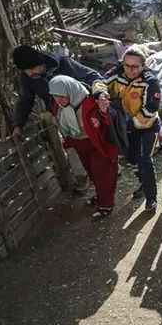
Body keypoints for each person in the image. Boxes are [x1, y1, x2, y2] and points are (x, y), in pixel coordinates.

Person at [12, 45, 109, 193]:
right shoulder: (28, 77)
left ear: (40, 62)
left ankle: (109, 166)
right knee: (72, 146)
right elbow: (25, 100)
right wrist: (18, 124)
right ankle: (82, 178)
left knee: (95, 140)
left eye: (32, 68)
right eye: (26, 70)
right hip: (61, 115)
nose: (30, 73)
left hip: (83, 111)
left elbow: (91, 75)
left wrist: (99, 92)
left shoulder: (62, 63)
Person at [48, 75, 119, 220]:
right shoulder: (58, 105)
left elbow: (107, 120)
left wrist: (104, 112)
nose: (59, 100)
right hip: (80, 143)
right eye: (55, 96)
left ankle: (106, 205)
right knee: (92, 173)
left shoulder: (91, 100)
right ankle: (100, 197)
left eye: (62, 96)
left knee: (102, 174)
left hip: (98, 144)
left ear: (71, 91)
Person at [102, 46, 162, 212]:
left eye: (135, 66)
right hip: (126, 126)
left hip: (147, 127)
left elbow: (150, 110)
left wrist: (127, 125)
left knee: (144, 160)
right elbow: (101, 82)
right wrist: (100, 94)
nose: (129, 70)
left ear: (144, 66)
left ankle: (151, 198)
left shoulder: (151, 82)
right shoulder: (117, 72)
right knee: (131, 159)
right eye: (126, 65)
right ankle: (144, 184)